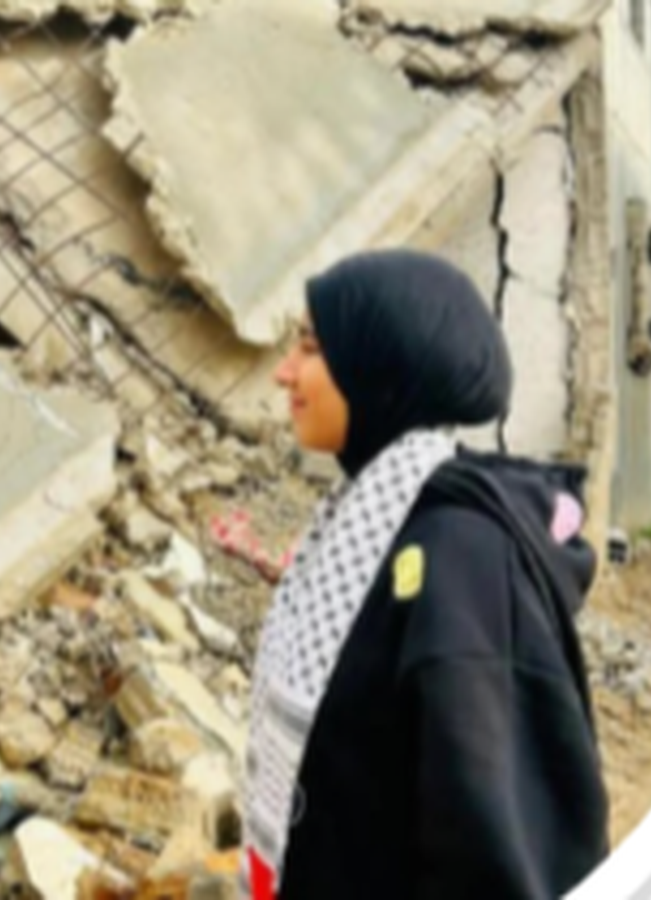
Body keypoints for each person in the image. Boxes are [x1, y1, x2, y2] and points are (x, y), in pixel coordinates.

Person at [241, 250, 609, 899]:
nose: (283, 372)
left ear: (381, 363)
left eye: (311, 348)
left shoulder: (464, 557)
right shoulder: (363, 530)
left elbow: (495, 852)